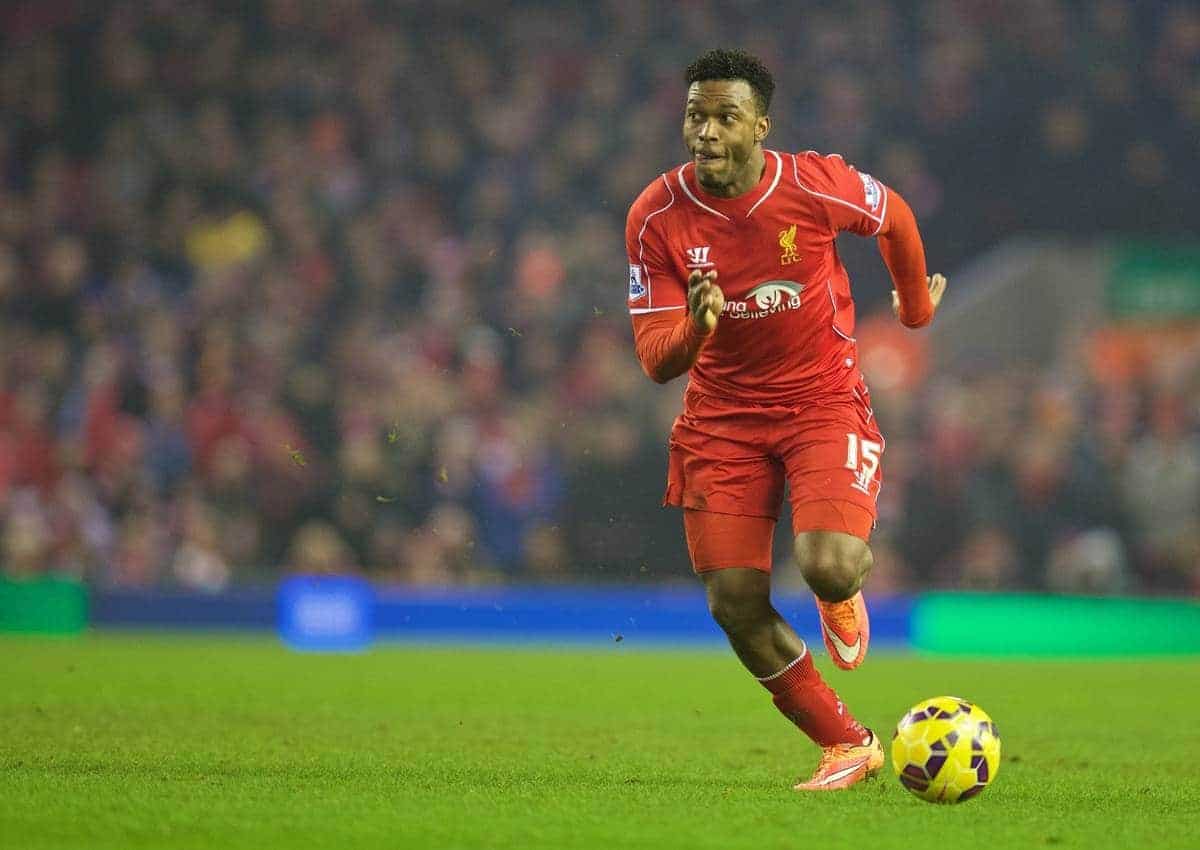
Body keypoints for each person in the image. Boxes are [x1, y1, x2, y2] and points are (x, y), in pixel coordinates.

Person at [626, 48, 946, 791]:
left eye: (725, 117)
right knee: (735, 602)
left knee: (828, 561)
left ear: (760, 125)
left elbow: (893, 215)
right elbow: (654, 358)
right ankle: (849, 744)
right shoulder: (657, 216)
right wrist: (699, 328)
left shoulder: (810, 183)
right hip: (722, 421)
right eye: (694, 116)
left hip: (821, 402)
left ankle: (839, 594)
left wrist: (915, 307)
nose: (704, 132)